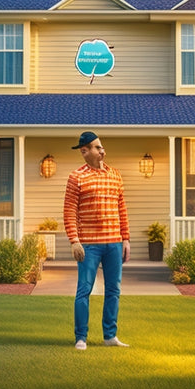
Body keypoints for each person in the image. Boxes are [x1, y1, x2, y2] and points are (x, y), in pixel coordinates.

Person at [63, 131, 131, 351]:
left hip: (114, 243)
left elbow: (122, 209)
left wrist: (126, 239)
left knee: (114, 290)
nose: (102, 150)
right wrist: (74, 241)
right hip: (89, 246)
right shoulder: (76, 177)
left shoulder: (115, 175)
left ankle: (110, 336)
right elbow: (69, 211)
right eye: (97, 147)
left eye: (102, 147)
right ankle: (80, 337)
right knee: (84, 290)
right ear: (85, 151)